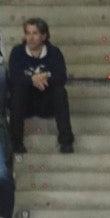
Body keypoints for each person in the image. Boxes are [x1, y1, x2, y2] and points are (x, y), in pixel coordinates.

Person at [7, 19, 71, 155]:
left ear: (44, 36)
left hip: (46, 102)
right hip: (25, 103)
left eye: (35, 33)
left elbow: (61, 77)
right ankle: (16, 143)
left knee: (60, 92)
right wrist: (32, 80)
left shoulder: (54, 53)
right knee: (18, 91)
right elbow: (13, 77)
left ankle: (66, 141)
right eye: (28, 33)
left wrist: (44, 79)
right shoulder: (18, 52)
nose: (30, 37)